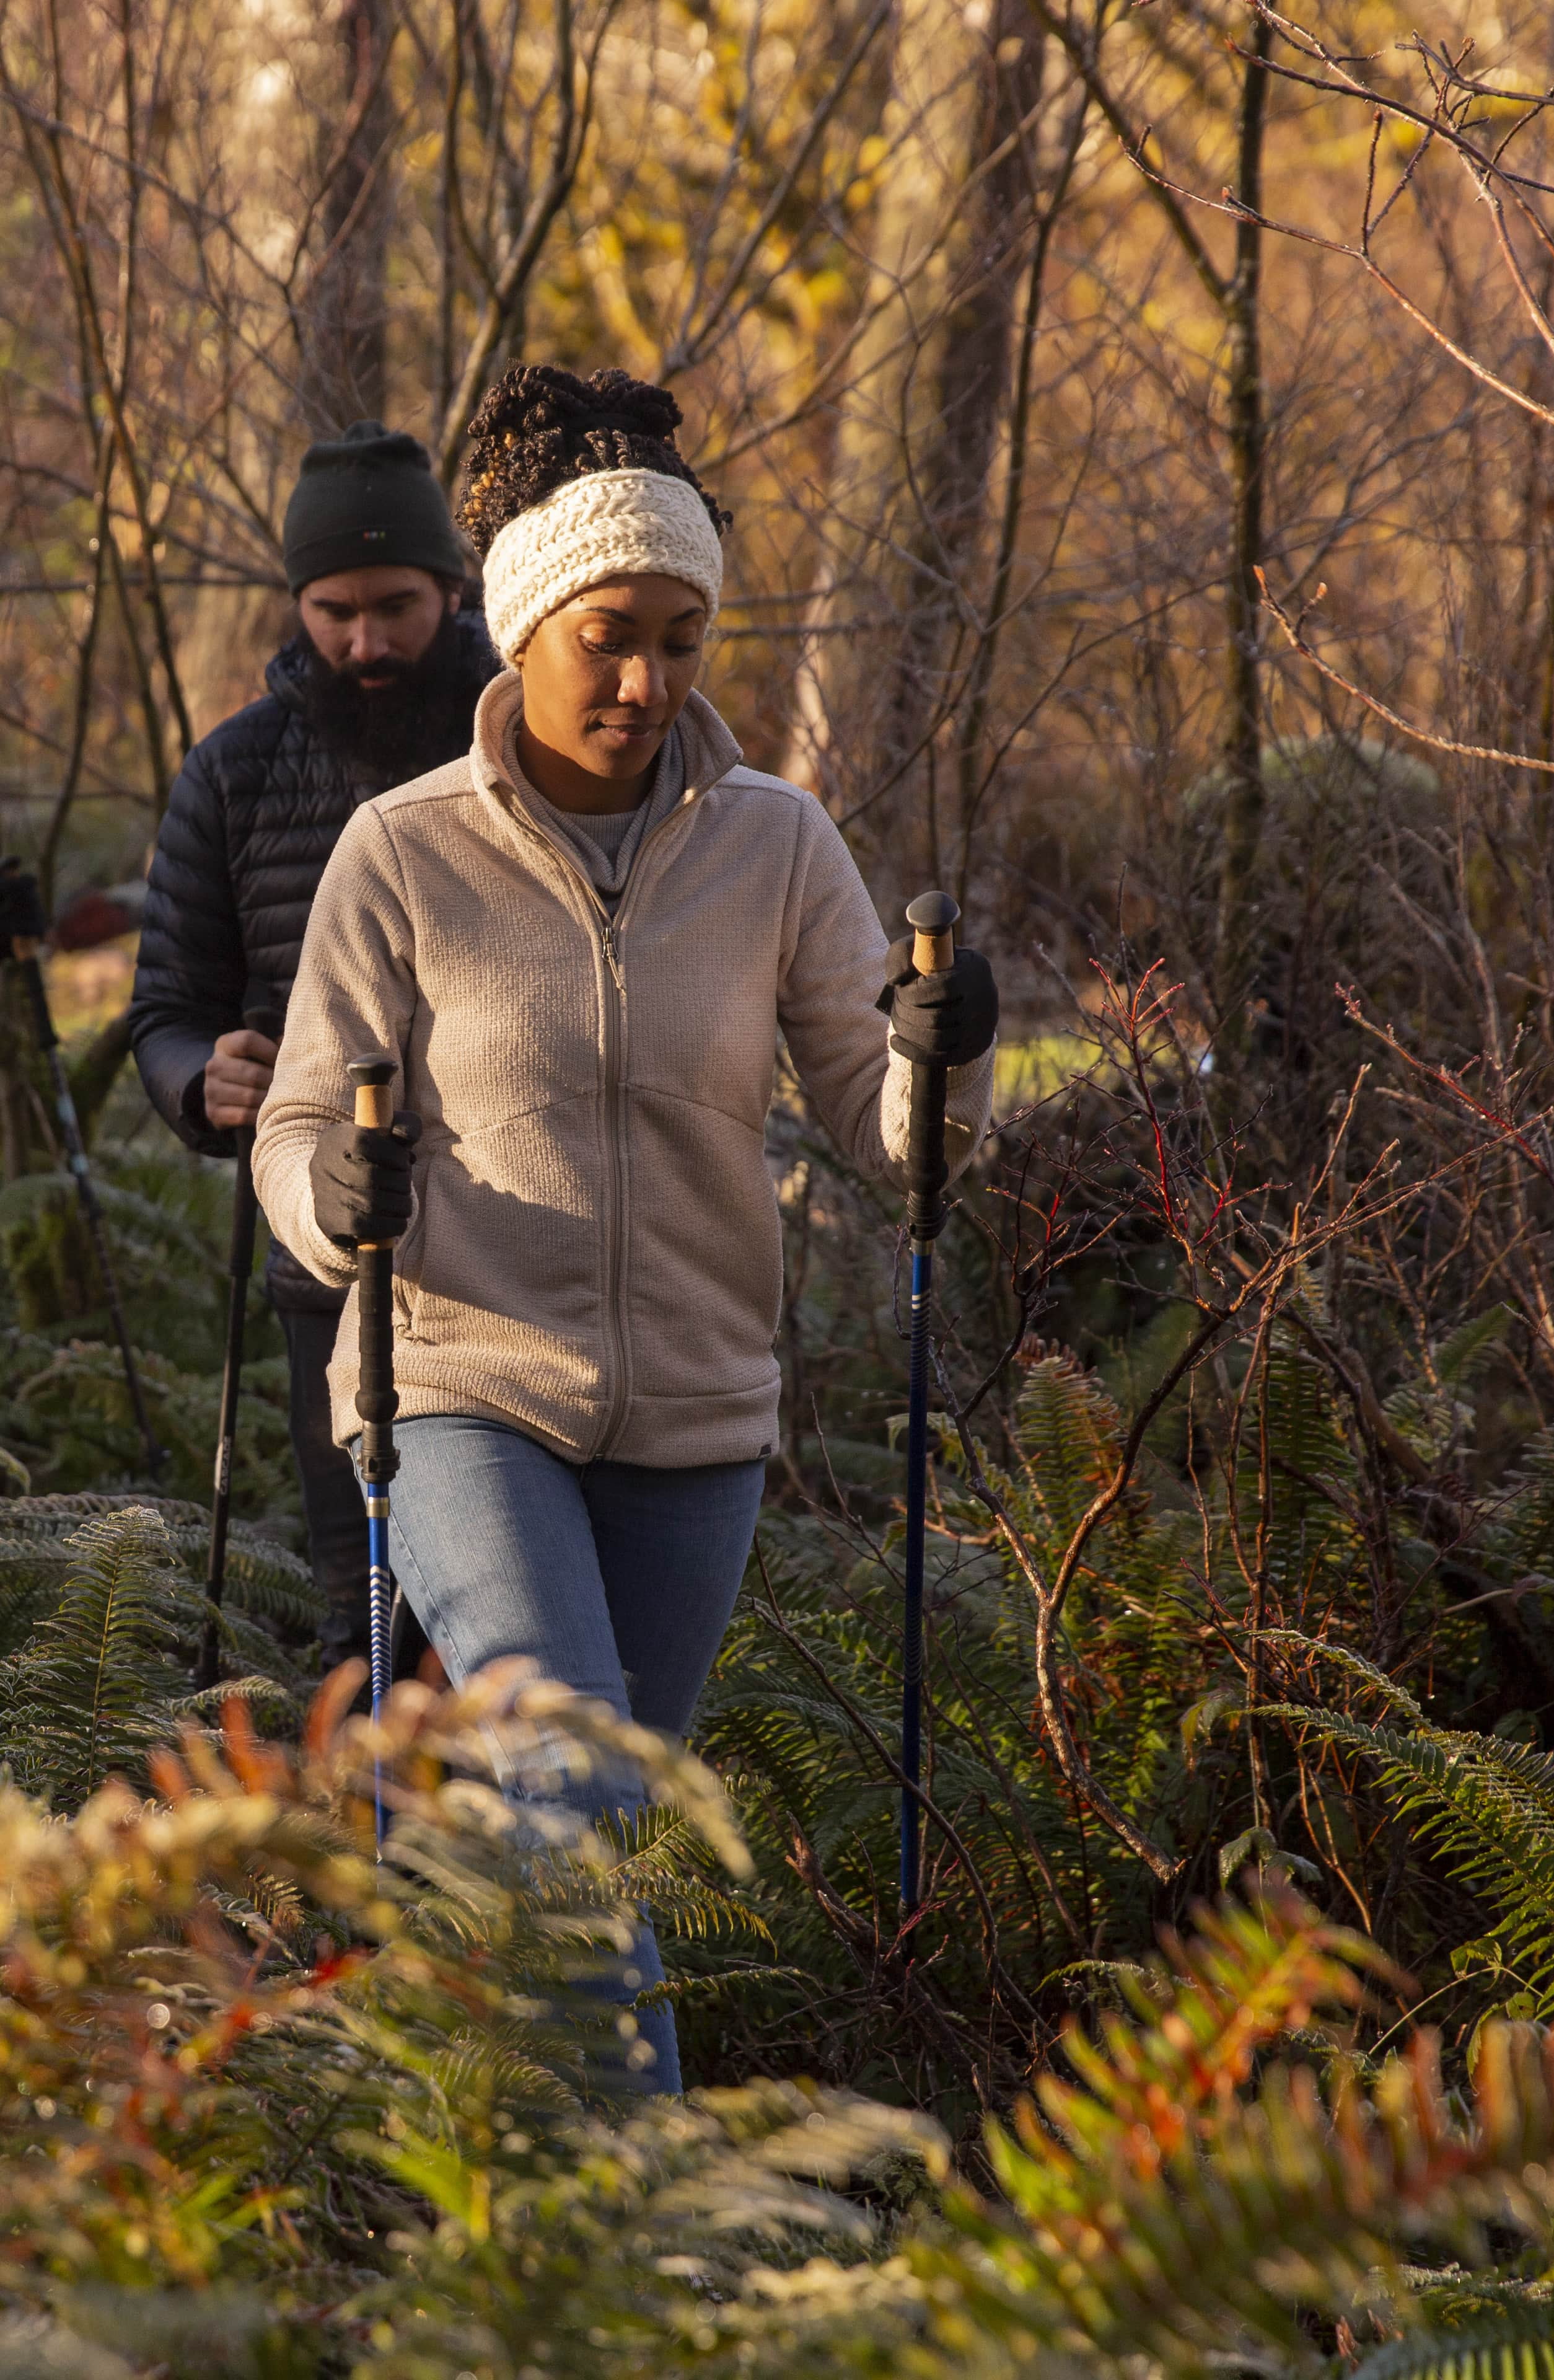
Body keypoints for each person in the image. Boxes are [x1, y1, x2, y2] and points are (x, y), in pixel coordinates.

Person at [251, 364, 998, 2092]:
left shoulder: (777, 848)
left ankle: (463, 2138)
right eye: (610, 639)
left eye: (681, 638)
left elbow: (898, 1145)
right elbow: (295, 1128)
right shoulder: (401, 854)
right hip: (458, 1386)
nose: (649, 681)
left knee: (586, 1841)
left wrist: (940, 1055)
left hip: (696, 1419)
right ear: (523, 629)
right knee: (573, 1788)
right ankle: (647, 2207)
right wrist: (330, 1199)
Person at [129, 423, 499, 1680]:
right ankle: (368, 1796)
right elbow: (167, 1004)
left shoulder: (518, 747)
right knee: (366, 1613)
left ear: (452, 590)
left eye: (395, 607)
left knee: (492, 1628)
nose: (365, 642)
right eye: (334, 610)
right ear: (297, 604)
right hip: (322, 1257)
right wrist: (200, 1077)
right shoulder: (233, 774)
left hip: (516, 1248)